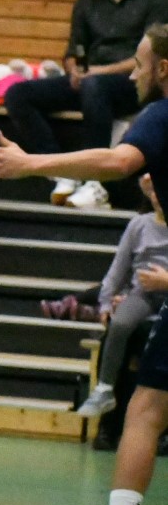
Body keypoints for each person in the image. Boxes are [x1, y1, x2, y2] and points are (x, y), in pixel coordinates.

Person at [0, 22, 168, 505]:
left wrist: (32, 163)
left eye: (140, 63)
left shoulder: (160, 115)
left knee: (146, 411)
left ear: (164, 70)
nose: (133, 73)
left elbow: (116, 162)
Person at [6, 0, 168, 210]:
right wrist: (75, 70)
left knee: (96, 86)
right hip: (90, 81)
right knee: (19, 93)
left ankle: (96, 183)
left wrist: (96, 74)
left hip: (131, 81)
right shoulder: (88, 0)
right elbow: (74, 49)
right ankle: (61, 171)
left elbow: (149, 57)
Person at [74, 175, 168, 421]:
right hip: (144, 295)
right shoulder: (139, 225)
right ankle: (105, 388)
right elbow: (117, 269)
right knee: (120, 324)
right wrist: (105, 302)